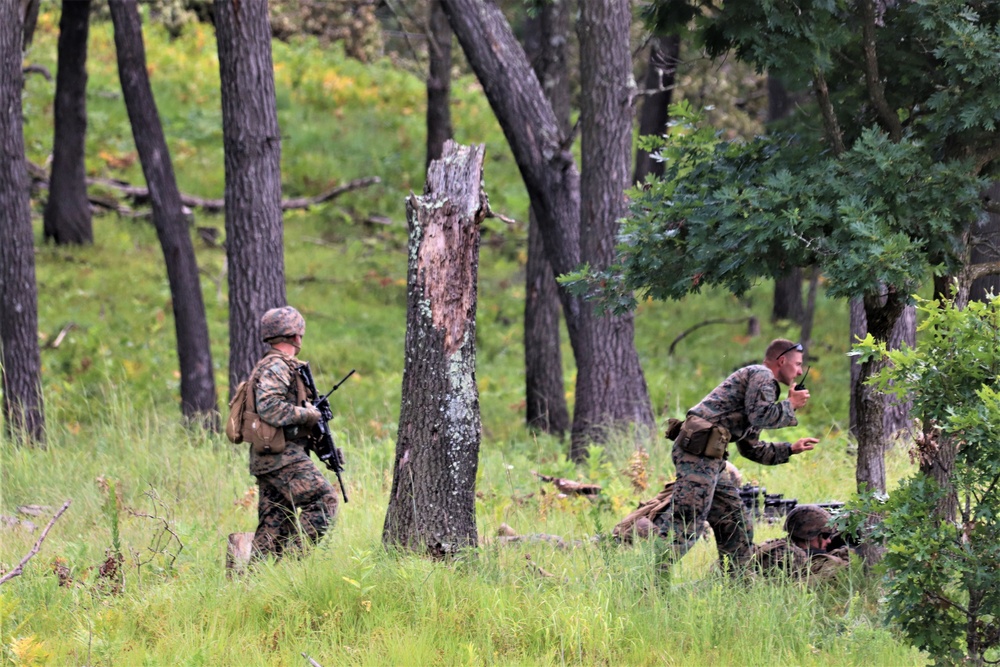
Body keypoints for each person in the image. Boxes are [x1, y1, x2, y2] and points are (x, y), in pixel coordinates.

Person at [655, 338, 819, 572]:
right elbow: (761, 417)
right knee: (686, 523)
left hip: (709, 459)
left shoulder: (761, 391)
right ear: (782, 361)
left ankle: (738, 586)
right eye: (798, 364)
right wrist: (790, 405)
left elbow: (751, 447)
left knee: (735, 524)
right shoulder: (763, 376)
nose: (800, 371)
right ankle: (647, 584)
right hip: (698, 455)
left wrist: (790, 449)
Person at [248, 306, 339, 559]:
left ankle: (256, 584)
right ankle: (291, 564)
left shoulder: (279, 365)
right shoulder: (277, 367)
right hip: (281, 455)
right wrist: (308, 414)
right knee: (324, 501)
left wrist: (326, 449)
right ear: (296, 336)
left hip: (272, 456)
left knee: (274, 526)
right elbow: (269, 408)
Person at [751, 504, 850, 580]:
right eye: (825, 536)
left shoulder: (779, 546)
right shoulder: (787, 555)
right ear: (809, 535)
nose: (828, 541)